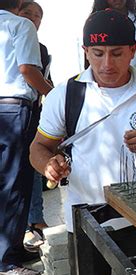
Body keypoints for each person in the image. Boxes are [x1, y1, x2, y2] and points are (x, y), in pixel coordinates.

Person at [29, 9, 136, 275]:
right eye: (97, 53)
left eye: (116, 53)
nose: (106, 64)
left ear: (133, 51)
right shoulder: (66, 95)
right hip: (84, 217)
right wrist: (48, 165)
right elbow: (38, 147)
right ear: (85, 51)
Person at [0, 0, 52, 275]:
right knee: (14, 183)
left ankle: (12, 248)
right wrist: (54, 94)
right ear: (19, 5)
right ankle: (5, 261)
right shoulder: (21, 26)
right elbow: (28, 71)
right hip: (13, 109)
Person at [19, 0, 50, 252]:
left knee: (33, 165)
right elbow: (27, 71)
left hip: (32, 112)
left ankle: (35, 220)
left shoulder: (42, 48)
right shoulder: (10, 37)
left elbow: (44, 79)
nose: (32, 18)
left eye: (37, 15)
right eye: (27, 13)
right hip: (11, 111)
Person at [90, 0, 136, 76]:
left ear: (132, 50)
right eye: (99, 54)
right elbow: (88, 61)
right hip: (107, 82)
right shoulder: (94, 23)